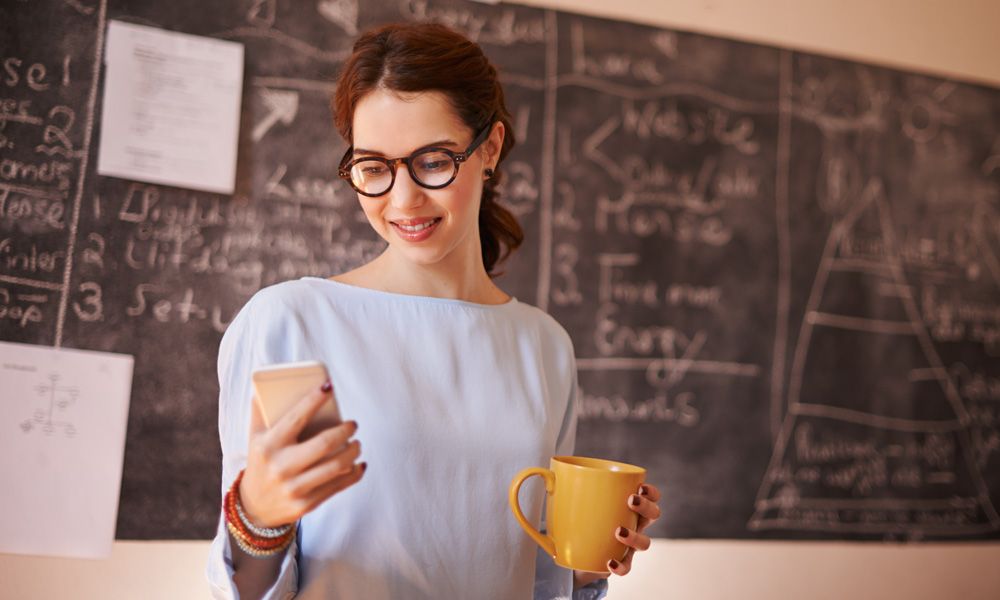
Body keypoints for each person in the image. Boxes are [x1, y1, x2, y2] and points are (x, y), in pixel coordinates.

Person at [206, 21, 662, 600]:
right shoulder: (293, 323)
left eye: (433, 161)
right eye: (374, 167)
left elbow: (545, 582)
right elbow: (245, 591)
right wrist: (258, 519)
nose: (403, 200)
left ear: (489, 148)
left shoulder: (543, 344)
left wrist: (595, 559)